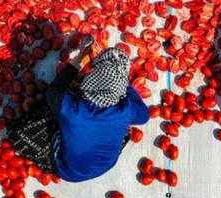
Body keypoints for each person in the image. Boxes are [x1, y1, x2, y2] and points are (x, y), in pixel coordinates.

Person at [8, 42, 149, 182]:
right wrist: (126, 86)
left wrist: (80, 60)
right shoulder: (126, 109)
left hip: (69, 170)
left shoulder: (71, 107)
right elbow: (144, 116)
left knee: (21, 132)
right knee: (120, 129)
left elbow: (54, 90)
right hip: (104, 166)